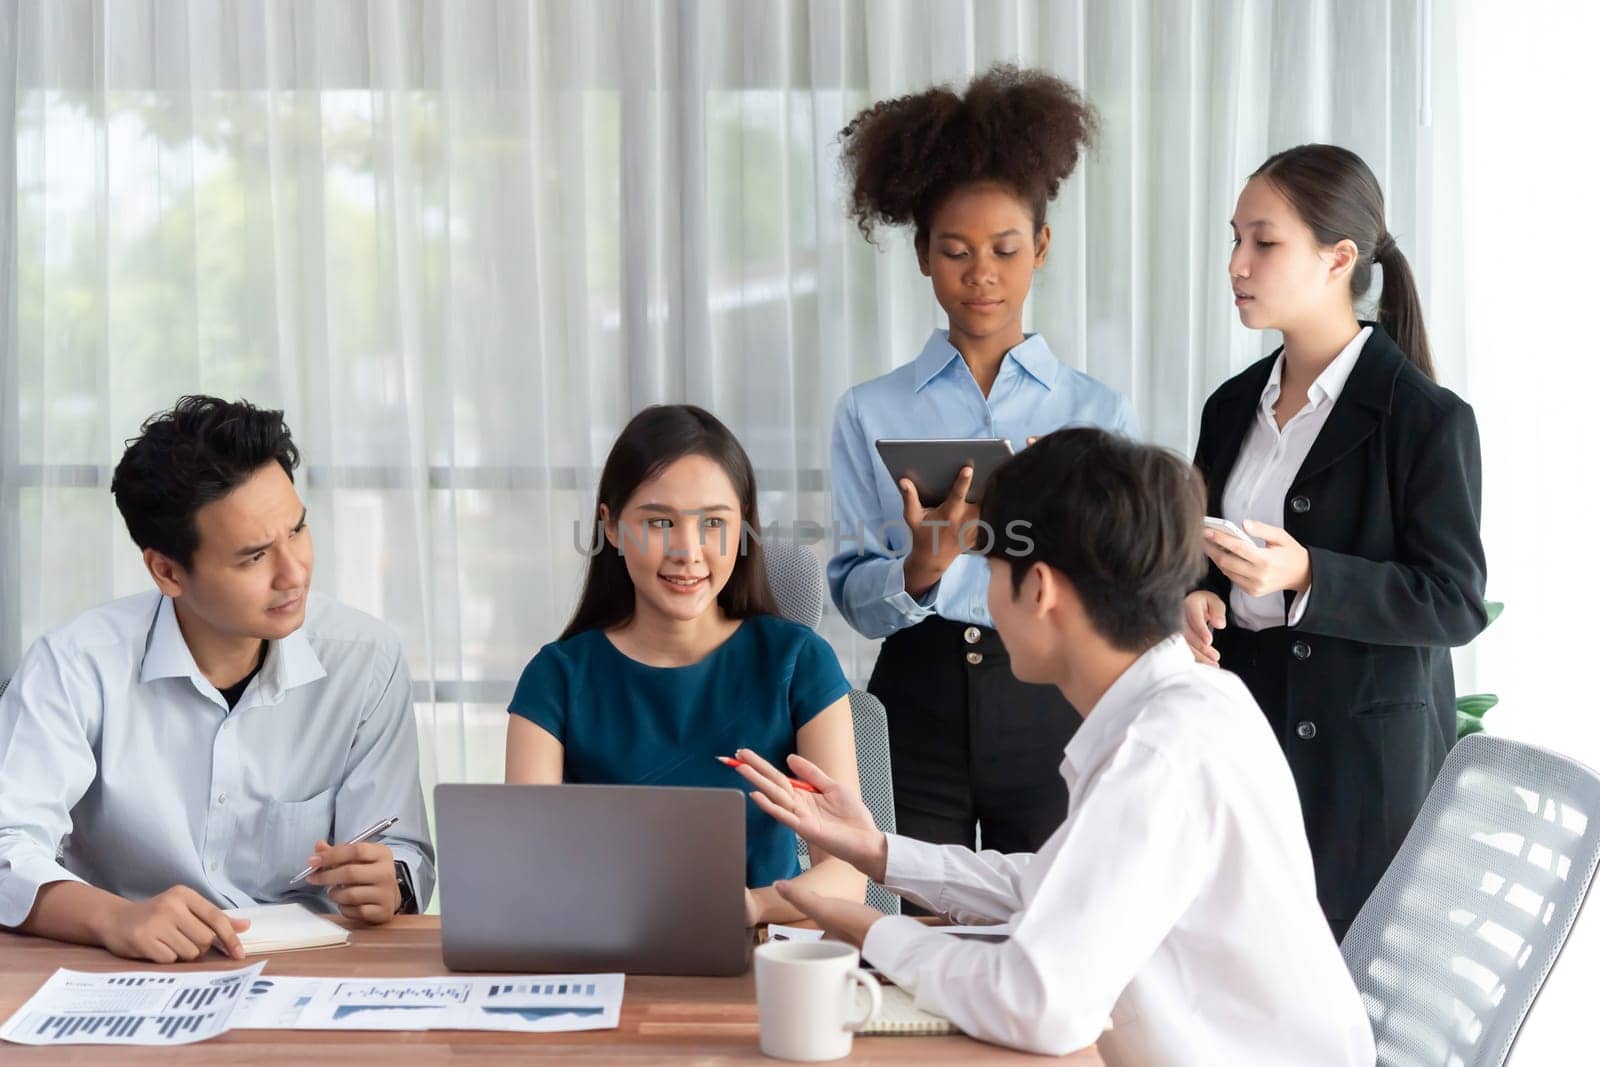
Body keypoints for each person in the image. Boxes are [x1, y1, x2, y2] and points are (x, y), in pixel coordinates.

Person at [732, 428, 1376, 1065]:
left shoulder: (1158, 752)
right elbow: (1055, 884)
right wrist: (876, 852)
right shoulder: (1190, 702)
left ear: (1038, 589)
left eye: (987, 570)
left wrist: (870, 928)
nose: (984, 601)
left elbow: (1037, 1003)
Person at [0, 396, 435, 963]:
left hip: (313, 969)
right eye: (254, 557)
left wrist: (389, 881)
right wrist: (115, 918)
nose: (294, 572)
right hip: (124, 967)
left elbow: (399, 852)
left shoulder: (365, 659)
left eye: (298, 530)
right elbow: (8, 845)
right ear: (167, 570)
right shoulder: (76, 664)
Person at [828, 64, 1135, 859]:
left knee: (1047, 935)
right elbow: (855, 599)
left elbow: (1124, 580)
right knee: (906, 926)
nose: (982, 274)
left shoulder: (1098, 413)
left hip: (1053, 697)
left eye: (1004, 248)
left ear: (1040, 246)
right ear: (924, 257)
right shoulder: (870, 410)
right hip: (916, 700)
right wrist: (919, 572)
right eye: (956, 251)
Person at [1184, 144, 1488, 936]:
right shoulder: (1228, 408)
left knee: (1349, 1013)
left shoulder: (1426, 417)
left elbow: (1454, 601)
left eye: (1263, 241)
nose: (1236, 263)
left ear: (1339, 257)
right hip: (1245, 747)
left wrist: (1310, 573)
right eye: (1235, 239)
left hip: (1364, 774)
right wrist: (1196, 598)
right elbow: (1199, 555)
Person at [505, 404, 866, 925]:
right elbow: (523, 869)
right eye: (658, 522)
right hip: (604, 957)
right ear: (610, 527)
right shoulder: (556, 678)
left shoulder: (800, 661)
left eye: (714, 523)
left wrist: (748, 907)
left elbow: (848, 872)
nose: (687, 551)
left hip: (760, 955)